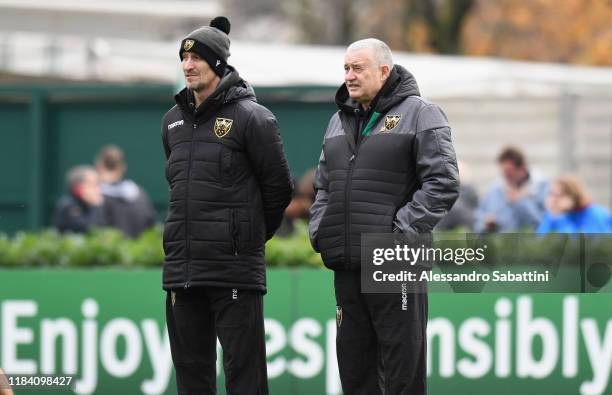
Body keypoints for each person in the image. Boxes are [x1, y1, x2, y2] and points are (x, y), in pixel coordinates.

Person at [309, 38, 459, 395]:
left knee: (402, 374)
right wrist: (322, 229)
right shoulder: (337, 120)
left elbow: (443, 182)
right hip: (347, 264)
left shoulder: (422, 113)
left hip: (396, 262)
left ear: (384, 71)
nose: (349, 75)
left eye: (357, 67)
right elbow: (323, 186)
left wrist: (397, 234)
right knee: (355, 371)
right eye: (346, 68)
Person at [161, 16, 292, 395]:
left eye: (197, 59)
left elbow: (278, 189)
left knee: (245, 378)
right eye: (183, 60)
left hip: (233, 271)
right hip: (182, 272)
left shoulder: (253, 118)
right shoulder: (171, 122)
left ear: (218, 64)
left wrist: (243, 237)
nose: (187, 66)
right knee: (191, 377)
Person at [474, 146, 548, 233]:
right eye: (503, 172)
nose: (506, 177)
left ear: (522, 169)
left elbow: (543, 224)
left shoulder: (541, 187)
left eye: (509, 172)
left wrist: (520, 201)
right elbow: (478, 219)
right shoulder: (495, 189)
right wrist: (486, 224)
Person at [95, 145, 156, 238]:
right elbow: (150, 225)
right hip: (139, 250)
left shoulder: (96, 197)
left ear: (99, 166)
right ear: (123, 167)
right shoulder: (140, 194)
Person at [537, 175, 611, 234]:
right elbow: (540, 240)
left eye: (559, 195)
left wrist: (560, 217)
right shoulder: (554, 214)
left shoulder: (597, 215)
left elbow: (577, 245)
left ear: (573, 196)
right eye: (551, 194)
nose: (553, 200)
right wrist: (554, 215)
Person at [53, 165, 106, 234]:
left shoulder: (91, 205)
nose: (98, 189)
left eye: (98, 184)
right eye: (93, 185)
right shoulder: (68, 206)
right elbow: (88, 229)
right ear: (78, 188)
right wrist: (96, 206)